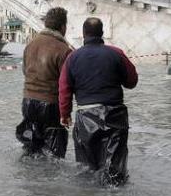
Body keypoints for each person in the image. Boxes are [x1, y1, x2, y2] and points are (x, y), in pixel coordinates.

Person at [58, 18, 138, 186]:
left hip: (86, 116)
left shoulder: (72, 58)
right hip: (115, 115)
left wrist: (64, 114)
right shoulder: (116, 53)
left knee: (87, 171)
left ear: (83, 34)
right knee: (115, 172)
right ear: (102, 33)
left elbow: (64, 89)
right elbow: (132, 81)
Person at [16, 7, 72, 158]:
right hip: (51, 105)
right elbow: (67, 83)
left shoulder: (31, 45)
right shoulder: (63, 50)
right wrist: (67, 113)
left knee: (31, 149)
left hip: (28, 102)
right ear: (62, 27)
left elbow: (25, 71)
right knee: (54, 155)